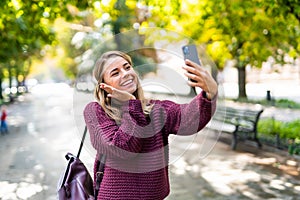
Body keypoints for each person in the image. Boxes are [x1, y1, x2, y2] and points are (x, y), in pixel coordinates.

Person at [83, 50, 218, 200]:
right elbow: (124, 148)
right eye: (115, 73)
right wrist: (132, 105)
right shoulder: (95, 112)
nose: (125, 73)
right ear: (104, 85)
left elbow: (189, 119)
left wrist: (209, 93)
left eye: (127, 67)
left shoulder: (156, 109)